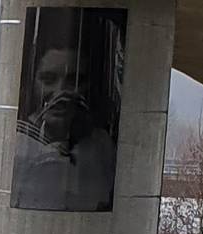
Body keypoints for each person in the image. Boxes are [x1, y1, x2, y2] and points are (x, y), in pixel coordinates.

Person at [11, 14, 121, 212]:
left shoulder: (103, 146)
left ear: (88, 87)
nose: (61, 93)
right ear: (32, 84)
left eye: (74, 81)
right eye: (49, 79)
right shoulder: (18, 143)